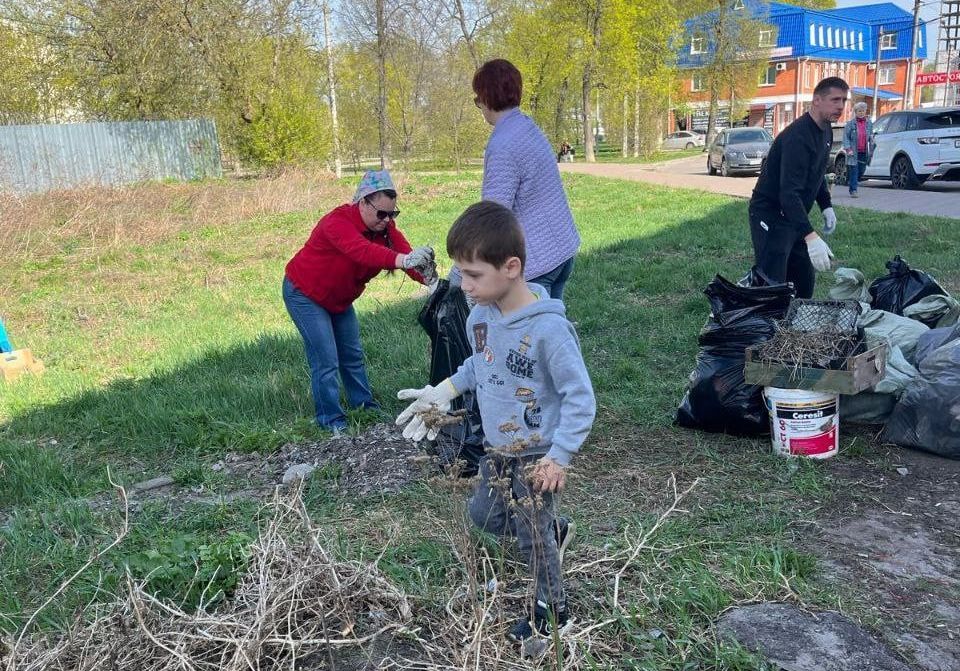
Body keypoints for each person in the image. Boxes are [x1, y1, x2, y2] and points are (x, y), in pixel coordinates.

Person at [396, 201, 596, 642]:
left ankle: (552, 610)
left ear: (511, 267)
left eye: (472, 275)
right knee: (484, 516)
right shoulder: (481, 315)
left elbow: (580, 398)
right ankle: (553, 531)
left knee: (531, 537)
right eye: (459, 272)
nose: (462, 285)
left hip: (538, 451)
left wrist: (559, 457)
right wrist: (443, 391)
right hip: (497, 447)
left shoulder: (549, 332)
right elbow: (479, 365)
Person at [283, 170, 435, 433]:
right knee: (326, 359)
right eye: (381, 214)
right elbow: (362, 252)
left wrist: (432, 281)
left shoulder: (385, 229)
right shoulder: (337, 222)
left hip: (339, 299)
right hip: (305, 294)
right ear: (363, 202)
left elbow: (406, 257)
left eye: (392, 214)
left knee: (352, 355)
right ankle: (331, 421)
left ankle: (364, 407)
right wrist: (403, 260)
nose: (387, 220)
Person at [472, 59, 580, 300]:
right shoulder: (529, 127)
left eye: (478, 99)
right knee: (554, 332)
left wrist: (465, 268)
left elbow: (493, 215)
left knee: (530, 336)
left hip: (537, 264)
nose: (480, 106)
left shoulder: (502, 144)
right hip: (562, 248)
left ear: (487, 97)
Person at [748, 77, 847, 299]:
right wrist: (811, 237)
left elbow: (817, 173)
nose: (840, 106)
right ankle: (768, 328)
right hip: (770, 214)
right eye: (835, 100)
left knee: (803, 280)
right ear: (817, 100)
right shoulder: (797, 138)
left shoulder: (826, 130)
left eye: (843, 100)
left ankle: (797, 326)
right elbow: (788, 193)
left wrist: (826, 206)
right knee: (772, 282)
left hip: (794, 214)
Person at [843, 101, 873, 198]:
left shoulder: (869, 123)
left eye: (863, 111)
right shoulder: (850, 124)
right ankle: (853, 190)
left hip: (864, 151)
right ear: (855, 112)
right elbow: (845, 137)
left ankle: (852, 181)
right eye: (859, 111)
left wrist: (872, 139)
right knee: (854, 170)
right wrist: (848, 149)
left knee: (862, 170)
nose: (861, 113)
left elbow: (870, 135)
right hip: (853, 151)